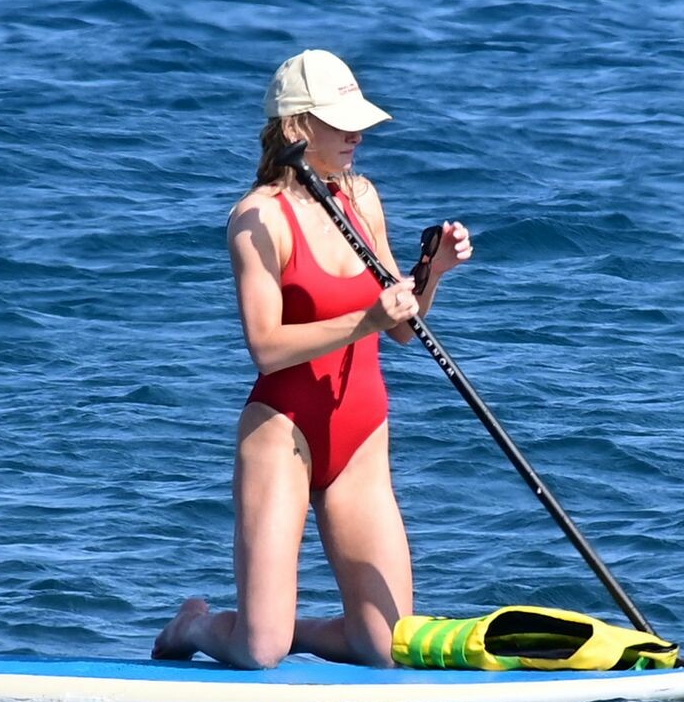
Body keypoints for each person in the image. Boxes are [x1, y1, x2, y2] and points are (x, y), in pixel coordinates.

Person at [153, 50, 472, 668]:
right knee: (258, 652)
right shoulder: (257, 220)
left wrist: (432, 273)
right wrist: (366, 320)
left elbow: (401, 329)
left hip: (361, 432)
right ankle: (196, 624)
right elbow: (266, 347)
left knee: (384, 648)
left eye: (359, 123)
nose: (357, 136)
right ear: (299, 127)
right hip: (285, 430)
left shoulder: (362, 198)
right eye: (341, 123)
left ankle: (281, 625)